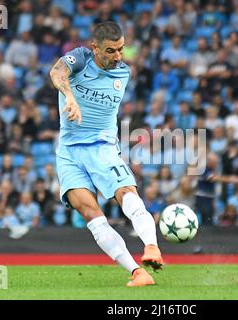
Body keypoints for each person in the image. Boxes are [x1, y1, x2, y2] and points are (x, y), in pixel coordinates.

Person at [49, 21, 162, 287]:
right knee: (91, 214)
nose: (118, 57)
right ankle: (137, 272)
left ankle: (152, 247)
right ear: (95, 48)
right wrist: (70, 96)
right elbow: (57, 71)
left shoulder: (123, 73)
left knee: (126, 193)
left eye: (121, 49)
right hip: (68, 152)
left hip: (102, 146)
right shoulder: (81, 59)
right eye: (111, 51)